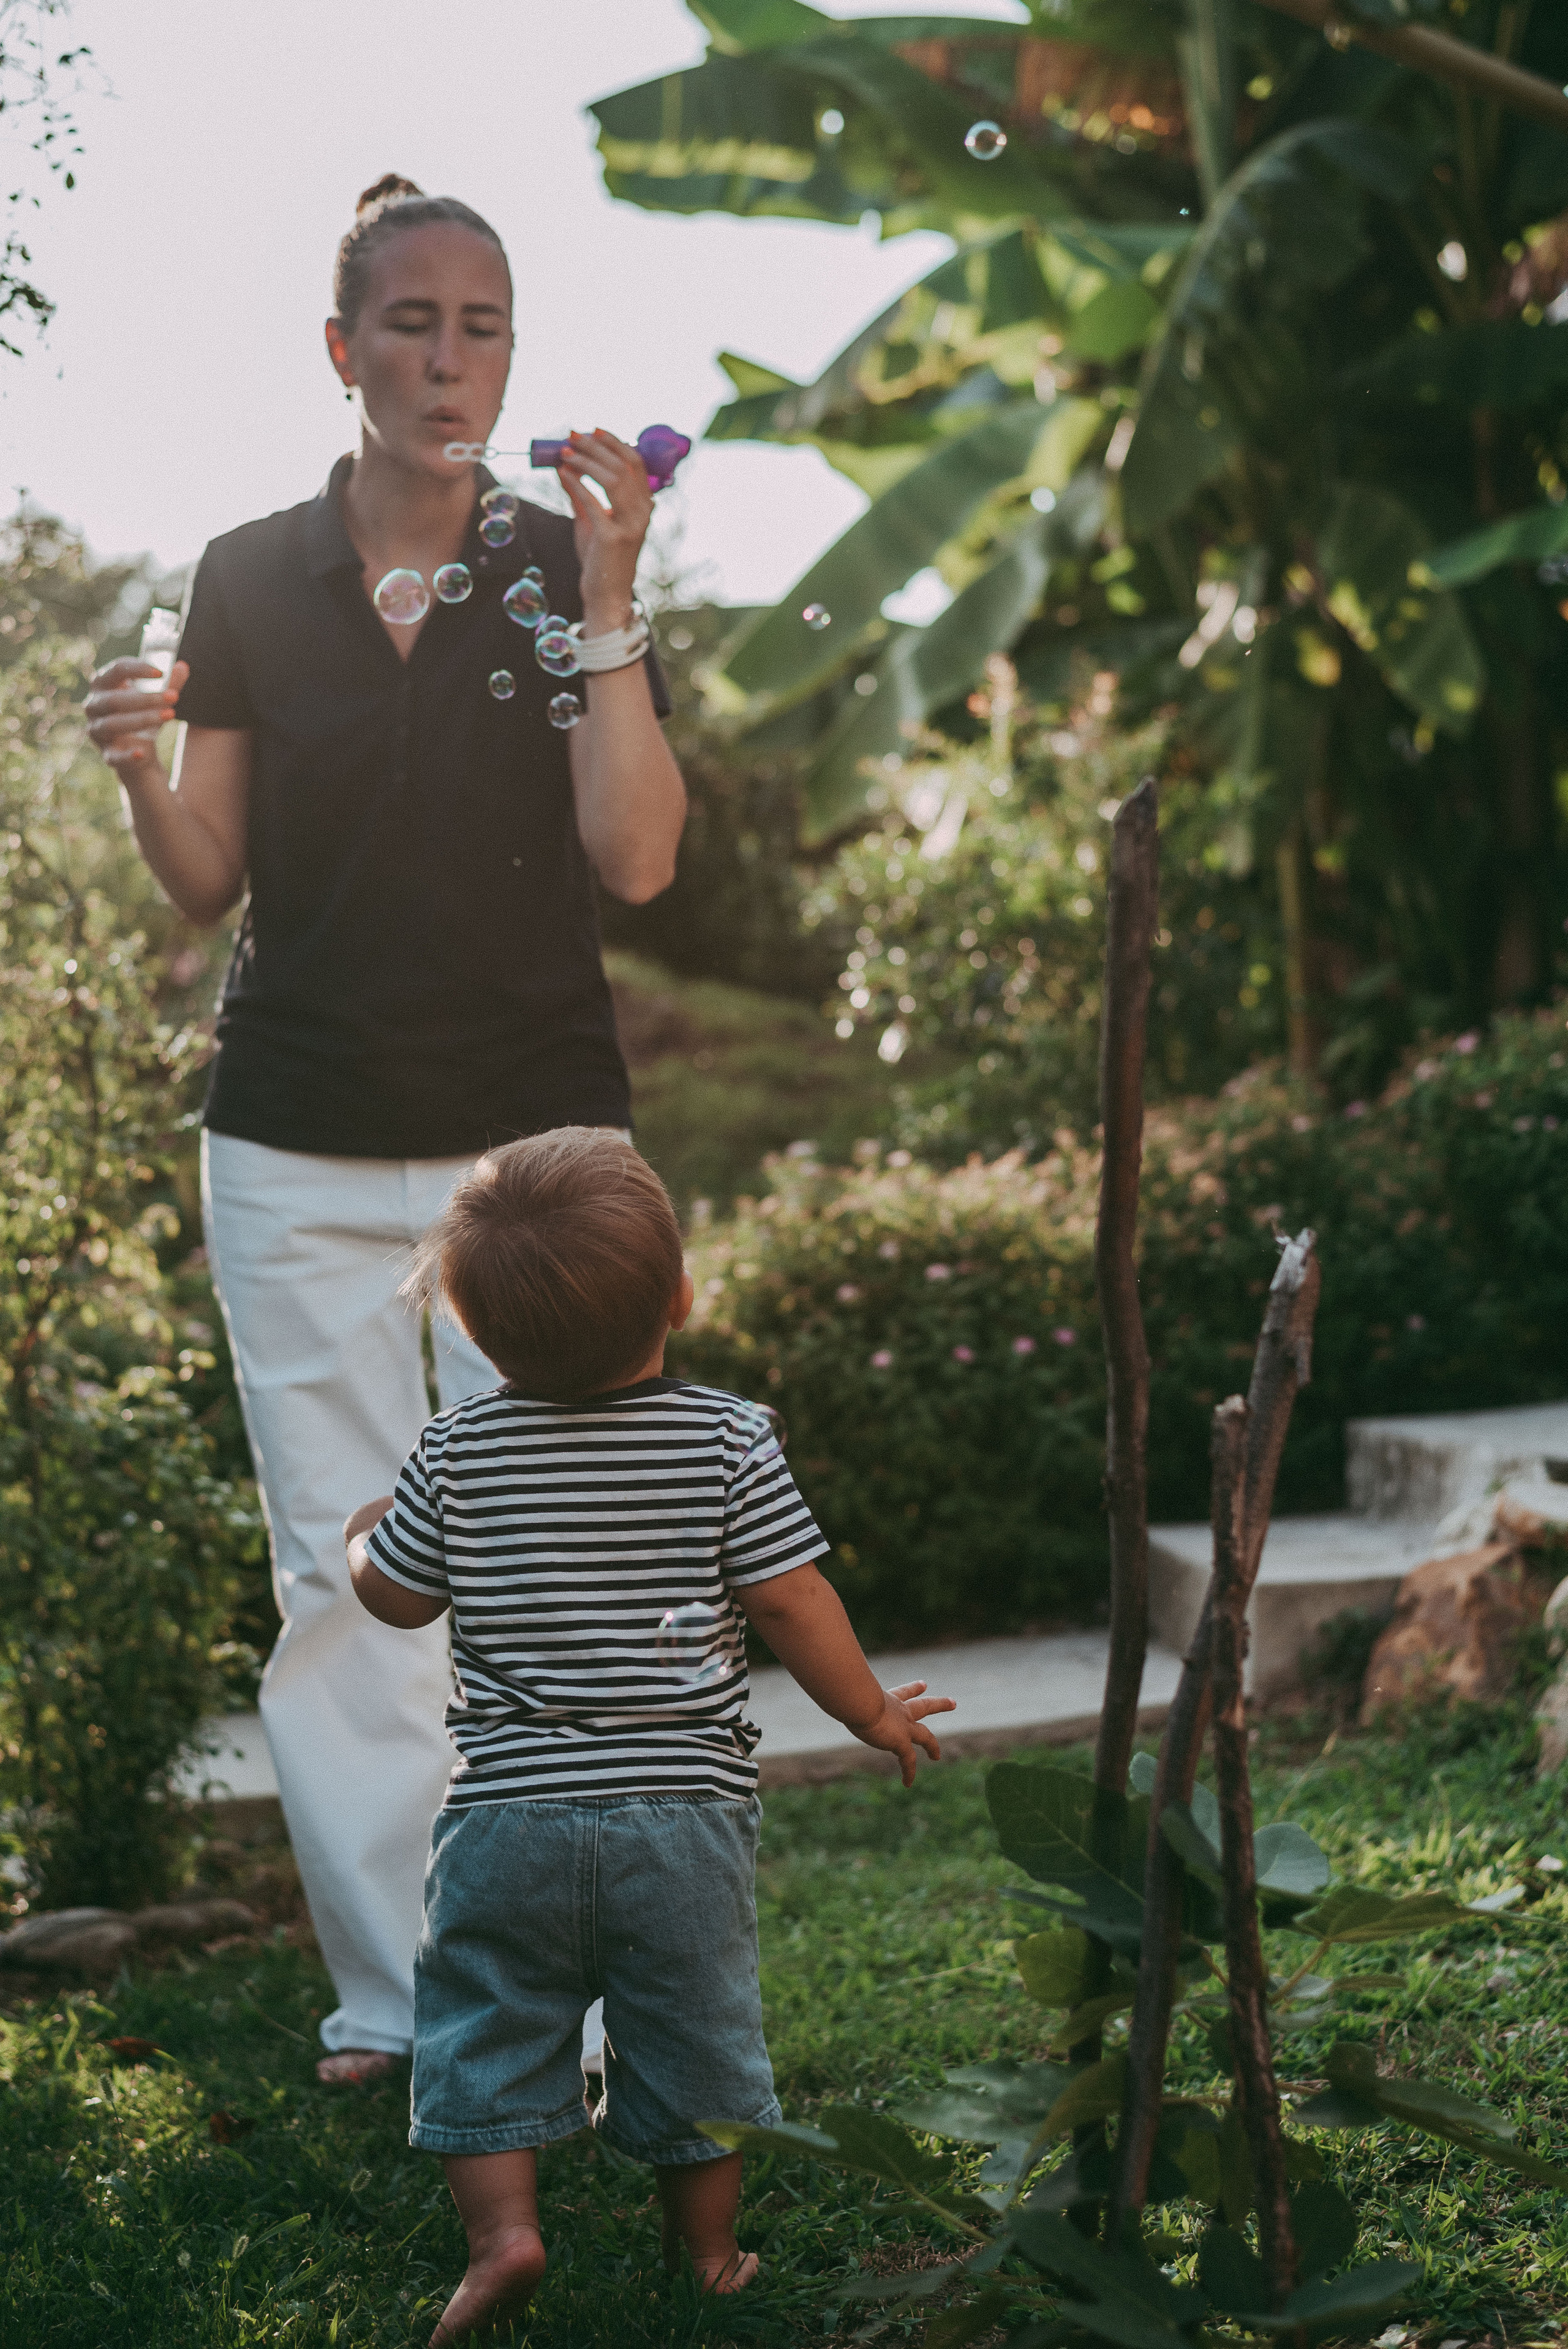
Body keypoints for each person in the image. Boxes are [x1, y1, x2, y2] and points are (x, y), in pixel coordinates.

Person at [82, 175, 686, 2084]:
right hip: (301, 1133)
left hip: (537, 1145)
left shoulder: (554, 563)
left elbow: (641, 856)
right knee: (347, 1581)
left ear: (514, 350)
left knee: (567, 1566)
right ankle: (398, 2000)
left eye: (484, 324)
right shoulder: (250, 571)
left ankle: (574, 1997)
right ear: (341, 351)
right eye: (412, 322)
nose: (450, 357)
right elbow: (207, 878)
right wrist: (127, 767)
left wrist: (608, 600)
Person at [343, 1128, 955, 2344]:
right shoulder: (728, 1438)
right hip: (680, 1817)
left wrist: (364, 1537)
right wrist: (869, 1711)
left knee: (487, 2017)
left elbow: (396, 1596)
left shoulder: (452, 1451)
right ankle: (713, 2255)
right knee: (694, 2030)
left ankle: (502, 2238)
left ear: (466, 1327)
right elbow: (790, 1597)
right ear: (679, 1293)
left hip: (503, 1819)